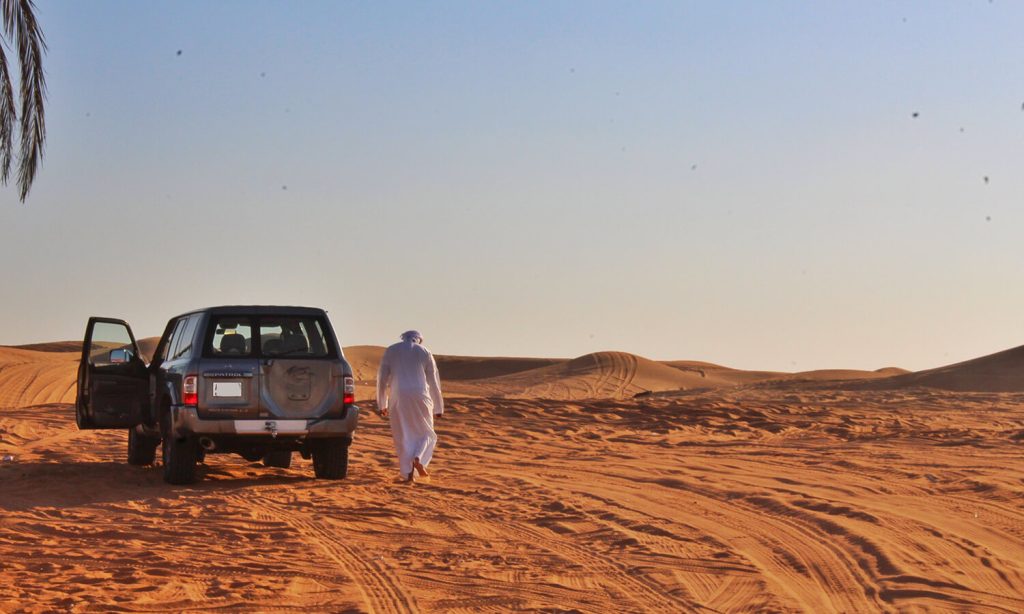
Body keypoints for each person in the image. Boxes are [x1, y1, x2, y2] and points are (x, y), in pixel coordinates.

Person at [376, 330, 444, 482]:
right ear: (418, 340)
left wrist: (382, 403)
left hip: (398, 396)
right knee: (427, 432)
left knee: (403, 434)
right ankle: (419, 457)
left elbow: (382, 379)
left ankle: (407, 474)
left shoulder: (391, 350)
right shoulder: (425, 351)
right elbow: (434, 381)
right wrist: (439, 407)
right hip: (421, 396)